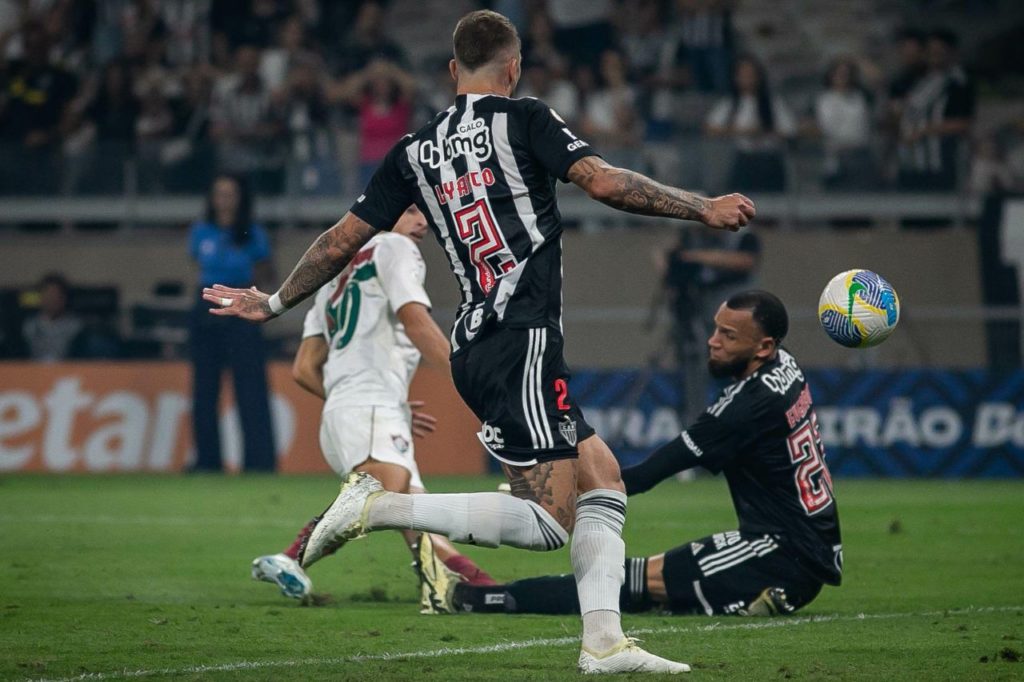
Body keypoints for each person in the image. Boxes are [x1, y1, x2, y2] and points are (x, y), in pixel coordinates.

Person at [204, 9, 754, 674]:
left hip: (487, 341)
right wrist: (702, 207)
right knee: (550, 522)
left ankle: (603, 643)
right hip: (517, 337)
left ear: (451, 71)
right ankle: (381, 507)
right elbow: (605, 182)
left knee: (602, 478)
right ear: (515, 68)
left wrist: (271, 302)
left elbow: (337, 241)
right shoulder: (526, 118)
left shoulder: (413, 150)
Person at [451, 291, 842, 618]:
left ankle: (484, 598)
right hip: (807, 544)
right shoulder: (786, 366)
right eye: (716, 328)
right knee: (639, 582)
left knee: (624, 580)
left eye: (728, 335)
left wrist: (570, 494)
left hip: (780, 551)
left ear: (764, 346)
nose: (712, 341)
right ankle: (751, 596)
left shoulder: (745, 407)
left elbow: (647, 475)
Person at [251, 205, 496, 609]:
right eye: (413, 211)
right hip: (370, 408)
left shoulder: (331, 279)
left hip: (351, 412)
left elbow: (303, 369)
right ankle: (290, 557)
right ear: (385, 214)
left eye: (426, 215)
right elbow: (416, 322)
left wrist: (356, 401)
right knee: (380, 493)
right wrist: (468, 379)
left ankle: (476, 588)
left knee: (417, 518)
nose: (422, 223)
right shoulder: (395, 247)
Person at [188, 174, 276, 472]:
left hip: (242, 309)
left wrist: (251, 300)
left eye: (230, 194)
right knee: (204, 390)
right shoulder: (201, 231)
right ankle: (207, 462)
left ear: (240, 199)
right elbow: (199, 268)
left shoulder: (253, 233)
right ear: (212, 198)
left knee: (251, 390)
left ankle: (260, 463)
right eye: (219, 193)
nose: (224, 200)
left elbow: (266, 273)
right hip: (207, 310)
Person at [22, 273, 83, 362]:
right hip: (33, 371)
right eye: (48, 295)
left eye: (56, 295)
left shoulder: (76, 327)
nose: (51, 299)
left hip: (65, 371)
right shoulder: (29, 326)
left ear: (64, 298)